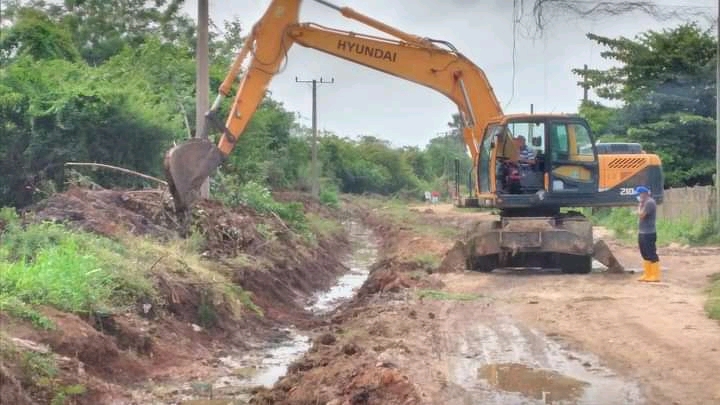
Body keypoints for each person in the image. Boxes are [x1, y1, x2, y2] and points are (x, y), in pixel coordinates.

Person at [635, 185, 660, 282]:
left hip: (649, 233)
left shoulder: (650, 203)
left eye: (639, 194)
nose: (638, 196)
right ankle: (647, 274)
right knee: (644, 254)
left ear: (644, 194)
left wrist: (639, 206)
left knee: (651, 254)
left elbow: (641, 215)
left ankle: (655, 275)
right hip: (642, 232)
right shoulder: (645, 203)